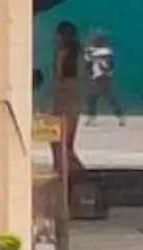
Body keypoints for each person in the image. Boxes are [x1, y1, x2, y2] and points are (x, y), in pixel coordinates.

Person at [49, 21, 83, 174]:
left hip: (64, 98)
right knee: (63, 142)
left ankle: (64, 171)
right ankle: (66, 170)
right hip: (71, 98)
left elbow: (59, 76)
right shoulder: (77, 53)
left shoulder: (62, 54)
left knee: (60, 142)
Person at [83, 31, 121, 125]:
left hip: (100, 77)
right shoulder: (106, 51)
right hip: (101, 77)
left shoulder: (97, 51)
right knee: (102, 98)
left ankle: (92, 119)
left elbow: (88, 61)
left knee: (95, 99)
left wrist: (87, 52)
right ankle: (120, 117)